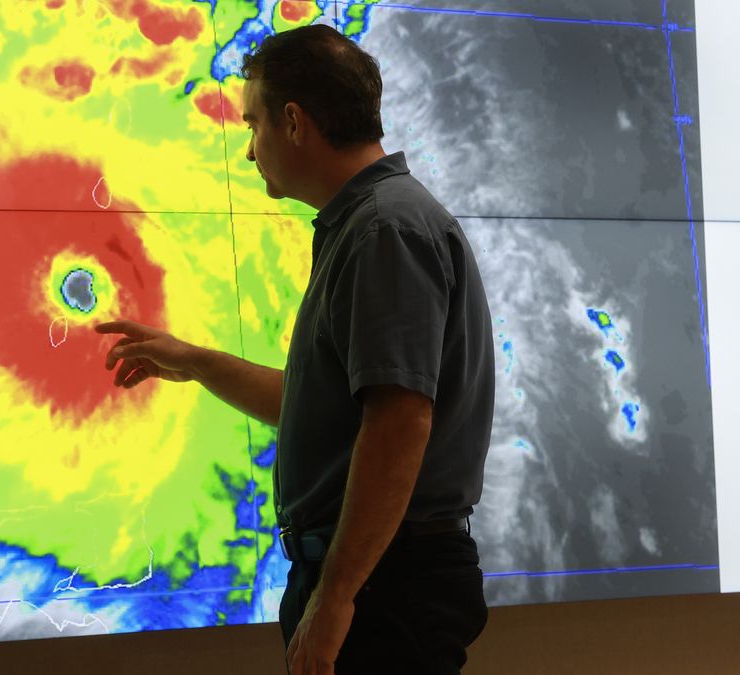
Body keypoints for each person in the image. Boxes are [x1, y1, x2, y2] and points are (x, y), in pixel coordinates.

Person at [96, 23, 495, 675]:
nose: (250, 152)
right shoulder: (366, 225)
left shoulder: (383, 230)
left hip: (382, 587)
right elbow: (316, 408)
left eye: (253, 125)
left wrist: (336, 597)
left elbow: (398, 421)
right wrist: (193, 360)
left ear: (294, 121)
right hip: (373, 579)